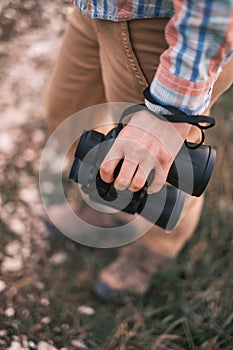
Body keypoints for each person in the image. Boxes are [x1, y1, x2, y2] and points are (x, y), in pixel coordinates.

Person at [45, 0, 233, 303]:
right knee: (67, 117)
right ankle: (112, 198)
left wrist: (171, 111)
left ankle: (153, 252)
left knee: (166, 168)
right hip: (97, 8)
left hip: (165, 27)